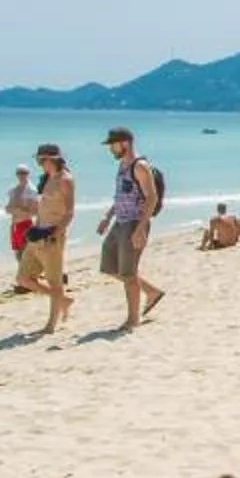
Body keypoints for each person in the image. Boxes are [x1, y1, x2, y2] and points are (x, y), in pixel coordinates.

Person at [98, 128, 166, 329]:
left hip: (134, 223)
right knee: (109, 267)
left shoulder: (140, 166)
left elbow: (152, 198)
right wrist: (107, 217)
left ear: (125, 143)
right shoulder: (122, 165)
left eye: (113, 144)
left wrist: (141, 228)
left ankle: (133, 319)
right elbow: (121, 196)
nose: (111, 149)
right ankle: (151, 291)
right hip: (119, 222)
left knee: (128, 273)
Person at [26, 145, 76, 333]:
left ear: (52, 159)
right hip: (37, 234)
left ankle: (51, 325)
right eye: (38, 160)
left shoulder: (65, 180)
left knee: (54, 282)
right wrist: (34, 226)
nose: (39, 164)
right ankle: (64, 300)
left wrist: (54, 234)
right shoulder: (47, 178)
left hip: (52, 236)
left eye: (41, 160)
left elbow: (69, 213)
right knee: (23, 278)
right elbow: (42, 208)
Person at [4, 164, 40, 292]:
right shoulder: (14, 190)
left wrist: (17, 209)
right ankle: (25, 281)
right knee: (18, 253)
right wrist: (19, 209)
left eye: (24, 173)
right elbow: (7, 209)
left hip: (26, 224)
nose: (22, 175)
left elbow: (34, 211)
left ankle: (28, 281)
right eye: (19, 173)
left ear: (28, 174)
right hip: (15, 225)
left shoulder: (31, 190)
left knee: (26, 254)